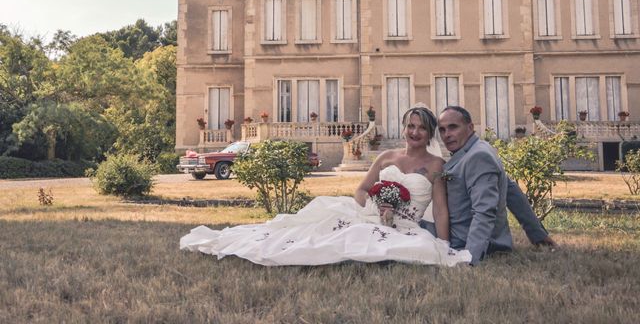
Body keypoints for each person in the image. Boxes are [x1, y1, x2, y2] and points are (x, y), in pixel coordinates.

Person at [180, 105, 471, 267]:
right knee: (315, 232)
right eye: (410, 126)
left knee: (405, 247)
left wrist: (444, 244)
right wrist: (374, 207)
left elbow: (441, 211)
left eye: (421, 127)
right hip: (369, 214)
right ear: (404, 129)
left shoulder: (436, 166)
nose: (415, 132)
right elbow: (360, 189)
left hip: (406, 225)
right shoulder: (386, 157)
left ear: (430, 132)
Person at [423, 105, 555, 265]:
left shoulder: (478, 156)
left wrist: (468, 259)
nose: (447, 135)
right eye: (442, 130)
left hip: (463, 241)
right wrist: (539, 235)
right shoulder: (479, 148)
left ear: (470, 127)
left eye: (453, 127)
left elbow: (484, 212)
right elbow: (512, 191)